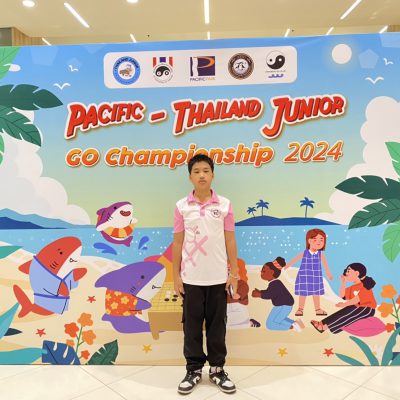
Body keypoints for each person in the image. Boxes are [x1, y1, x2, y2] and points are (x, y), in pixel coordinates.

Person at [173, 154, 238, 395]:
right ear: (190, 176)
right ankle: (193, 370)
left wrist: (234, 272)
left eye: (206, 171)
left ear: (213, 175)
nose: (201, 175)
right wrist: (176, 276)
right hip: (191, 278)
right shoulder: (181, 206)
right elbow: (177, 243)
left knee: (217, 327)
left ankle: (217, 370)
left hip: (219, 278)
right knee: (191, 327)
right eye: (197, 171)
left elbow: (230, 240)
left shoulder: (225, 205)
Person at [310, 262, 377, 334]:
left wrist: (344, 304)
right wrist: (343, 282)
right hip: (358, 307)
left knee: (346, 315)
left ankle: (323, 327)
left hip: (367, 309)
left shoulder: (365, 286)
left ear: (357, 273)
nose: (346, 273)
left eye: (348, 271)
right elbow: (343, 295)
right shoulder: (352, 288)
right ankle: (322, 324)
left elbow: (357, 299)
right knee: (341, 313)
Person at [284, 228, 333, 317]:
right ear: (309, 241)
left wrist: (328, 273)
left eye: (321, 240)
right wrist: (286, 266)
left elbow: (325, 264)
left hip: (316, 276)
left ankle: (318, 309)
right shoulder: (305, 253)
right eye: (315, 239)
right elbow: (295, 259)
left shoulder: (320, 254)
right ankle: (300, 309)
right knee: (303, 293)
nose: (319, 242)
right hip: (304, 276)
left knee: (316, 293)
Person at [252, 257, 304, 332]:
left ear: (271, 272)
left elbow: (269, 294)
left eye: (263, 271)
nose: (261, 272)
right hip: (282, 305)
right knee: (275, 320)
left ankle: (292, 326)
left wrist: (259, 295)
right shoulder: (274, 283)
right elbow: (269, 292)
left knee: (270, 324)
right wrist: (260, 292)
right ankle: (296, 323)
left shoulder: (275, 284)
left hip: (284, 305)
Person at [227, 258, 260, 329]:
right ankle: (249, 324)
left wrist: (238, 294)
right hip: (227, 308)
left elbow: (244, 289)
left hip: (239, 308)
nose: (230, 274)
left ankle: (248, 323)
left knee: (228, 321)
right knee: (226, 322)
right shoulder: (225, 284)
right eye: (228, 271)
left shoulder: (242, 283)